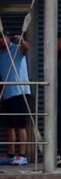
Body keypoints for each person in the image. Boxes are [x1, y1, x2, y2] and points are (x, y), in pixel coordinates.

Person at [0, 29, 32, 165]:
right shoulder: (0, 53)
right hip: (7, 94)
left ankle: (22, 155)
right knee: (9, 126)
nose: (0, 41)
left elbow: (26, 49)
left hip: (20, 92)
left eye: (2, 38)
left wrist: (22, 41)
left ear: (7, 37)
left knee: (20, 125)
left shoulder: (17, 49)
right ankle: (11, 154)